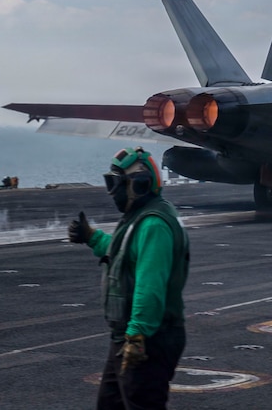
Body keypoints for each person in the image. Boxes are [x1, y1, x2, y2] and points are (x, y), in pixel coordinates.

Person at [67, 146, 190, 410]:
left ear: (140, 184)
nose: (114, 192)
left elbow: (150, 285)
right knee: (110, 404)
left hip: (149, 339)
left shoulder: (154, 224)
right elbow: (126, 254)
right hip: (129, 337)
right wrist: (93, 237)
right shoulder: (141, 218)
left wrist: (137, 336)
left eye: (117, 183)